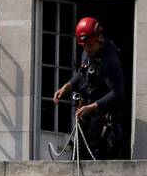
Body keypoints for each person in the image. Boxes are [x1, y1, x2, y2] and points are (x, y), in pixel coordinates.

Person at [53, 17, 126, 159]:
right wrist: (67, 87)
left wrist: (92, 107)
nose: (87, 49)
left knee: (95, 153)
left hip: (102, 117)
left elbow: (118, 92)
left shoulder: (110, 61)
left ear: (99, 38)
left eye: (90, 45)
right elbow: (82, 73)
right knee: (79, 151)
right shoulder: (86, 53)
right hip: (85, 112)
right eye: (84, 45)